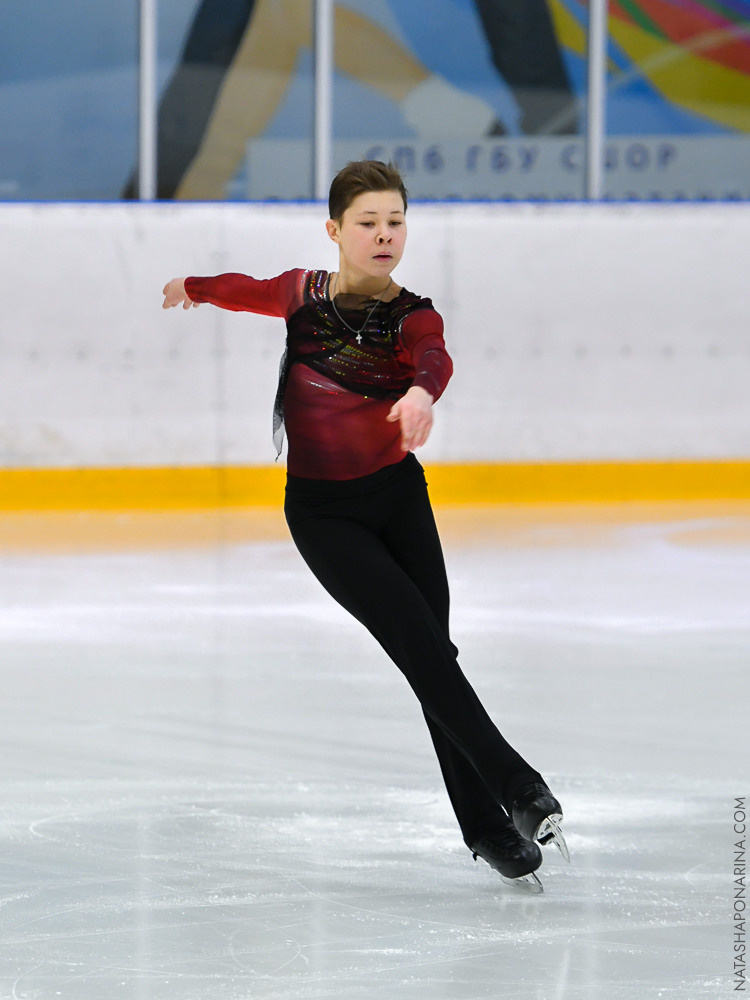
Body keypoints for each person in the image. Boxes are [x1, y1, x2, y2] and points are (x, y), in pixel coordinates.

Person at [162, 159, 569, 889]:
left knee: (432, 658)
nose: (385, 235)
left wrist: (420, 394)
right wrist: (191, 289)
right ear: (335, 231)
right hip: (325, 518)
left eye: (396, 222)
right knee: (422, 650)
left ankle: (485, 829)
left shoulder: (415, 314)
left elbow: (435, 357)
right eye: (368, 223)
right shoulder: (300, 296)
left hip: (400, 501)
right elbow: (244, 290)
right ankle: (517, 788)